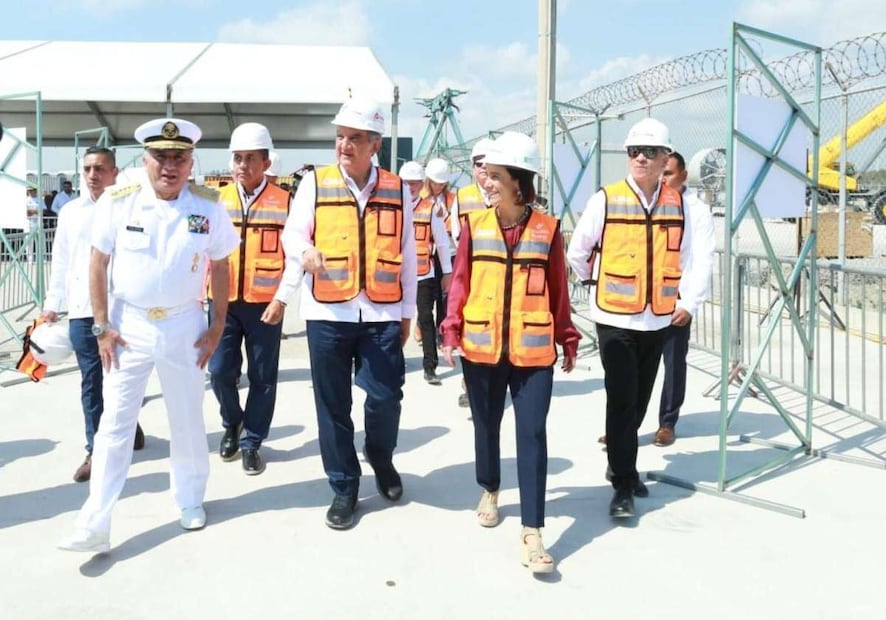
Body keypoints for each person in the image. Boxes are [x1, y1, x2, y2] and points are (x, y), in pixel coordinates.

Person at [58, 118, 239, 553]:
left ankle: (191, 499)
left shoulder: (208, 206)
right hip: (128, 327)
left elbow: (220, 265)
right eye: (161, 156)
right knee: (114, 425)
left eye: (179, 157)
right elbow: (98, 263)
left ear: (191, 161)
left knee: (188, 421)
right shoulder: (120, 202)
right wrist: (101, 326)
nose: (170, 166)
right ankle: (94, 522)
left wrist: (217, 326)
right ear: (146, 159)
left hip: (185, 326)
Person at [441, 131, 580, 574]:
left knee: (532, 433)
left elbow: (558, 289)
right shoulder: (473, 226)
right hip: (482, 346)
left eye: (496, 175)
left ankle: (532, 531)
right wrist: (451, 329)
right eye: (487, 174)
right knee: (486, 423)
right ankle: (490, 487)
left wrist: (568, 335)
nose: (487, 182)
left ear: (519, 181)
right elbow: (460, 282)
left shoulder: (548, 230)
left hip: (534, 351)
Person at [281, 97, 417, 530]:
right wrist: (305, 251)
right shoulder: (315, 184)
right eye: (340, 136)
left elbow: (410, 254)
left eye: (355, 138)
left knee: (385, 396)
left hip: (381, 311)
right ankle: (344, 486)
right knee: (332, 405)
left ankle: (380, 456)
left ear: (374, 144)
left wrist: (408, 311)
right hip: (328, 313)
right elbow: (292, 233)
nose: (344, 145)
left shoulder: (397, 189)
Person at [567, 118, 706, 519]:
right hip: (614, 319)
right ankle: (623, 482)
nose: (640, 158)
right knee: (622, 399)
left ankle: (619, 462)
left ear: (665, 159)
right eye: (633, 152)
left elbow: (691, 258)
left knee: (641, 398)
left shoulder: (680, 205)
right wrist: (597, 283)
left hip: (657, 318)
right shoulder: (606, 200)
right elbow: (578, 252)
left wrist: (687, 301)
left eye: (649, 152)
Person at [42, 146, 146, 482]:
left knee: (123, 376)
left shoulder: (132, 206)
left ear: (115, 172)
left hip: (122, 309)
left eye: (100, 168)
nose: (92, 175)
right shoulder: (71, 212)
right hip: (83, 311)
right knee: (91, 380)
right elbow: (61, 260)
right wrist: (52, 304)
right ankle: (95, 449)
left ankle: (129, 425)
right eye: (87, 169)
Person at [209, 123, 297, 475]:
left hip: (265, 304)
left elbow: (294, 256)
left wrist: (283, 299)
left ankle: (252, 441)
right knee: (218, 372)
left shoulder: (286, 201)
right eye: (237, 158)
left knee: (263, 377)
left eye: (249, 159)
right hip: (222, 303)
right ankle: (232, 422)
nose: (242, 165)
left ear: (265, 161)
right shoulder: (214, 199)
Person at [652, 151, 715, 446]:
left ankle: (667, 422)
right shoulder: (647, 203)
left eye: (669, 174)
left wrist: (691, 303)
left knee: (674, 362)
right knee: (635, 367)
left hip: (676, 299)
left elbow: (702, 259)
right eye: (660, 173)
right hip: (644, 299)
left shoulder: (697, 211)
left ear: (683, 176)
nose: (662, 179)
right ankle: (625, 425)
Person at [449, 138, 494, 407]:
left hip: (499, 272)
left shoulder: (505, 192)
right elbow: (456, 234)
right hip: (472, 270)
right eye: (479, 164)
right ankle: (469, 383)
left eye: (489, 164)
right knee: (470, 325)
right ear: (472, 167)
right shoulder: (463, 197)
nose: (484, 170)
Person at [407, 159, 452, 384]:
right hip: (396, 273)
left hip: (424, 272)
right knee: (393, 320)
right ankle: (393, 362)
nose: (410, 187)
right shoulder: (391, 205)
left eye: (414, 183)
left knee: (425, 318)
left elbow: (442, 243)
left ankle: (430, 366)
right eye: (406, 183)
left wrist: (447, 273)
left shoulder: (430, 209)